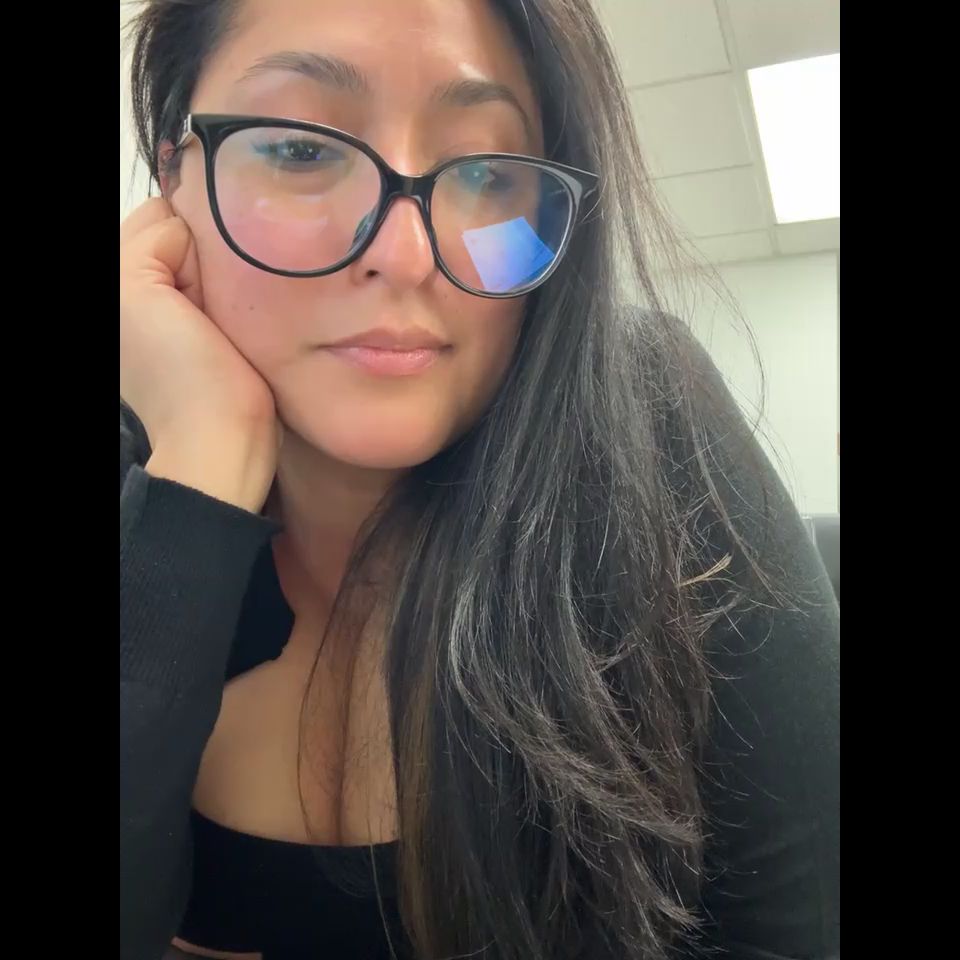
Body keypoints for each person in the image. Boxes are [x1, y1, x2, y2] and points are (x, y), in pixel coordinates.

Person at [120, 1, 840, 958]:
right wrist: (197, 475)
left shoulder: (643, 420)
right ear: (172, 181)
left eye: (489, 172)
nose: (406, 256)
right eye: (300, 150)